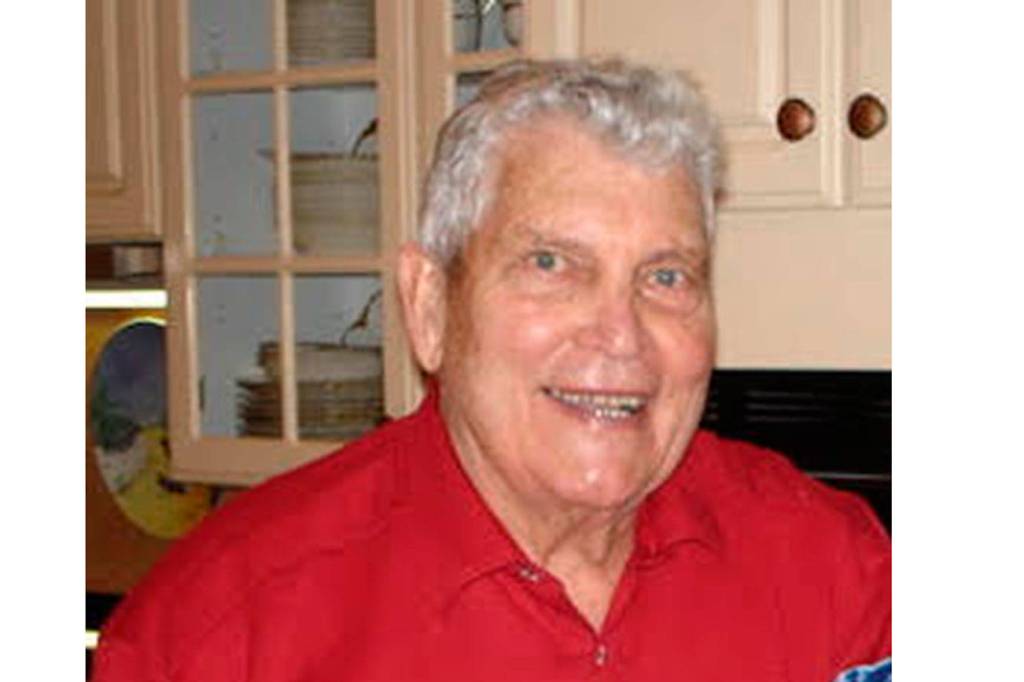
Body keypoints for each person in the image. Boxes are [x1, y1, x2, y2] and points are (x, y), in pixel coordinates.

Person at [93, 58, 890, 681]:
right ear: (430, 306)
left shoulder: (829, 566)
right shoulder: (221, 633)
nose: (621, 336)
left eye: (666, 276)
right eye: (551, 263)